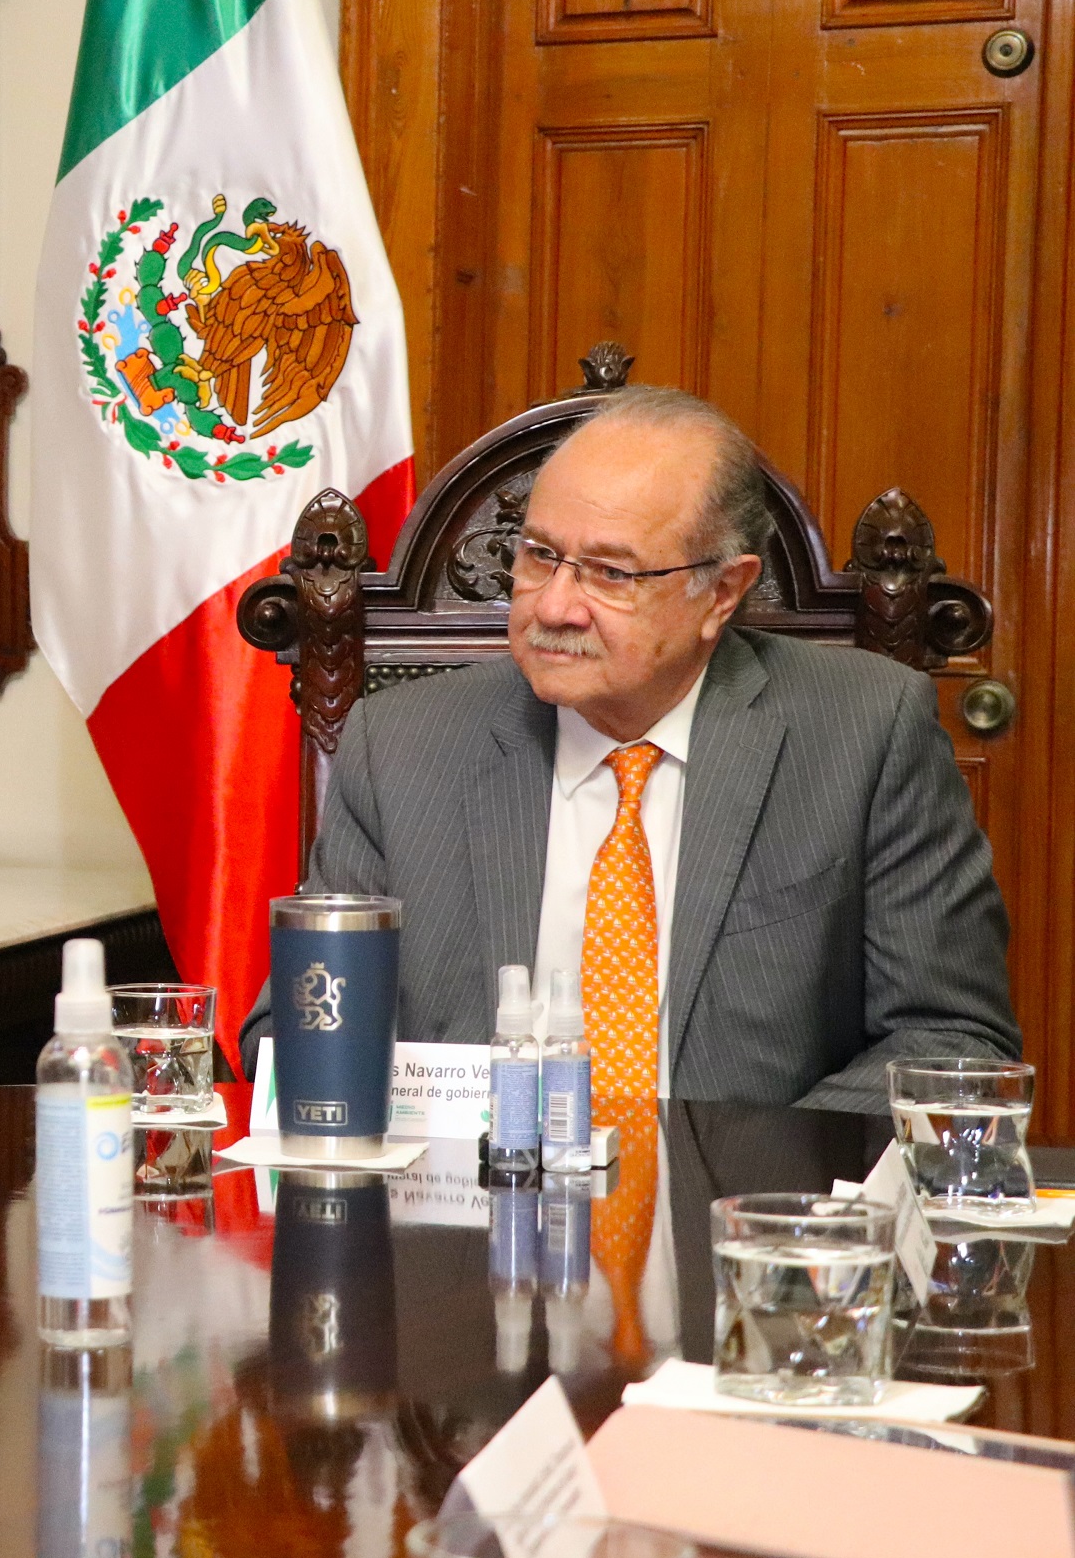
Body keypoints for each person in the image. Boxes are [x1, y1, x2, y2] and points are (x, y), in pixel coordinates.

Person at [242, 386, 1016, 1112]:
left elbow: (951, 1042)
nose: (553, 607)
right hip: (472, 1198)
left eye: (610, 573)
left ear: (722, 592)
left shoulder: (864, 733)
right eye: (539, 555)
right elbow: (296, 1030)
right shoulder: (400, 746)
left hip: (744, 1200)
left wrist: (738, 1173)